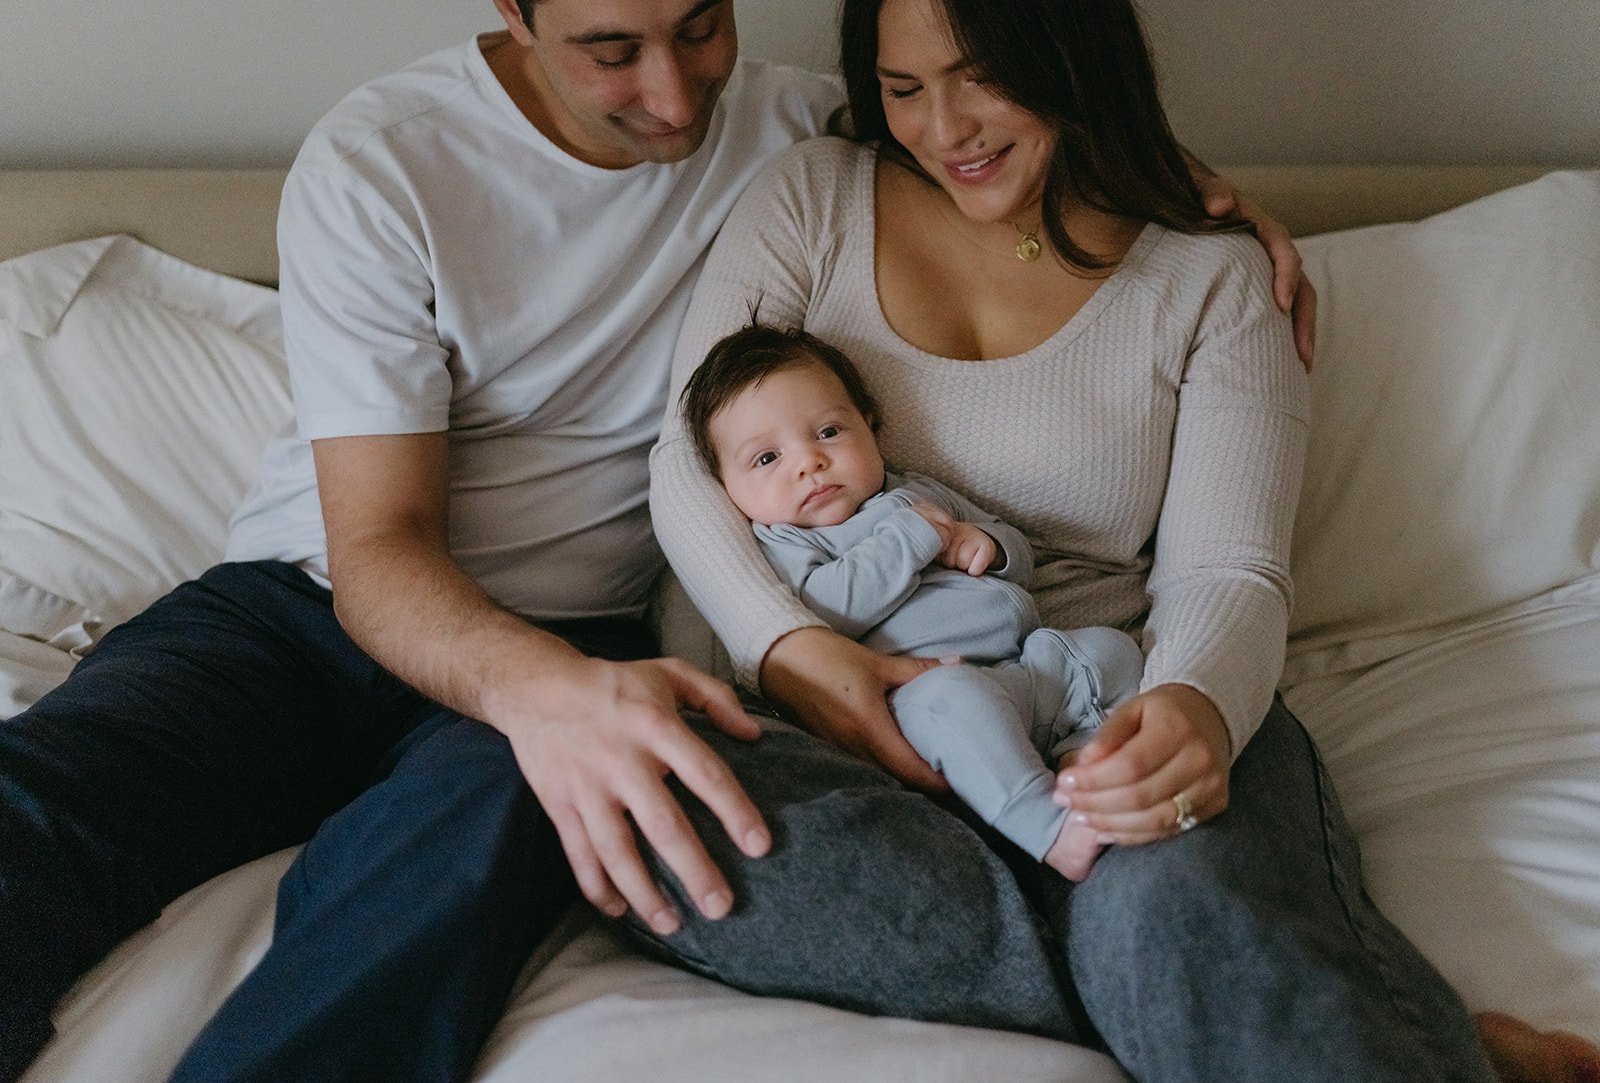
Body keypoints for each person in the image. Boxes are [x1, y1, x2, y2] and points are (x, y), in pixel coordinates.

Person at [0, 1, 1321, 1081]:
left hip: (587, 644)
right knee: (49, 800)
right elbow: (383, 543)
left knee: (434, 884)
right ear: (512, 15)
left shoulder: (799, 127)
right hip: (312, 605)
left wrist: (1195, 194)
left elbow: (1004, 125)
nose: (676, 99)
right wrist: (550, 695)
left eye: (699, 29)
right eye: (612, 51)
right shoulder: (384, 163)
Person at [646, 0, 1584, 1079]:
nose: (944, 127)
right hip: (839, 721)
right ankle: (1359, 1016)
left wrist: (1190, 703)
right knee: (667, 836)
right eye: (902, 89)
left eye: (981, 76)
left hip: (1105, 694)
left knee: (1165, 898)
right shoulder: (812, 198)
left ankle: (1205, 959)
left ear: (1069, 49)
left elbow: (1227, 568)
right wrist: (792, 652)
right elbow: (685, 457)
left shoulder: (1212, 271)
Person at [679, 321, 1144, 880]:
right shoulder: (786, 540)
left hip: (1024, 669)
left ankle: (1081, 752)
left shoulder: (913, 491)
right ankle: (1049, 832)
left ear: (869, 424)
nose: (808, 462)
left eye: (828, 432)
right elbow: (828, 609)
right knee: (955, 703)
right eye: (766, 459)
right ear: (726, 487)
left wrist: (989, 547)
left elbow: (1017, 551)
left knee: (1109, 650)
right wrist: (914, 538)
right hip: (927, 694)